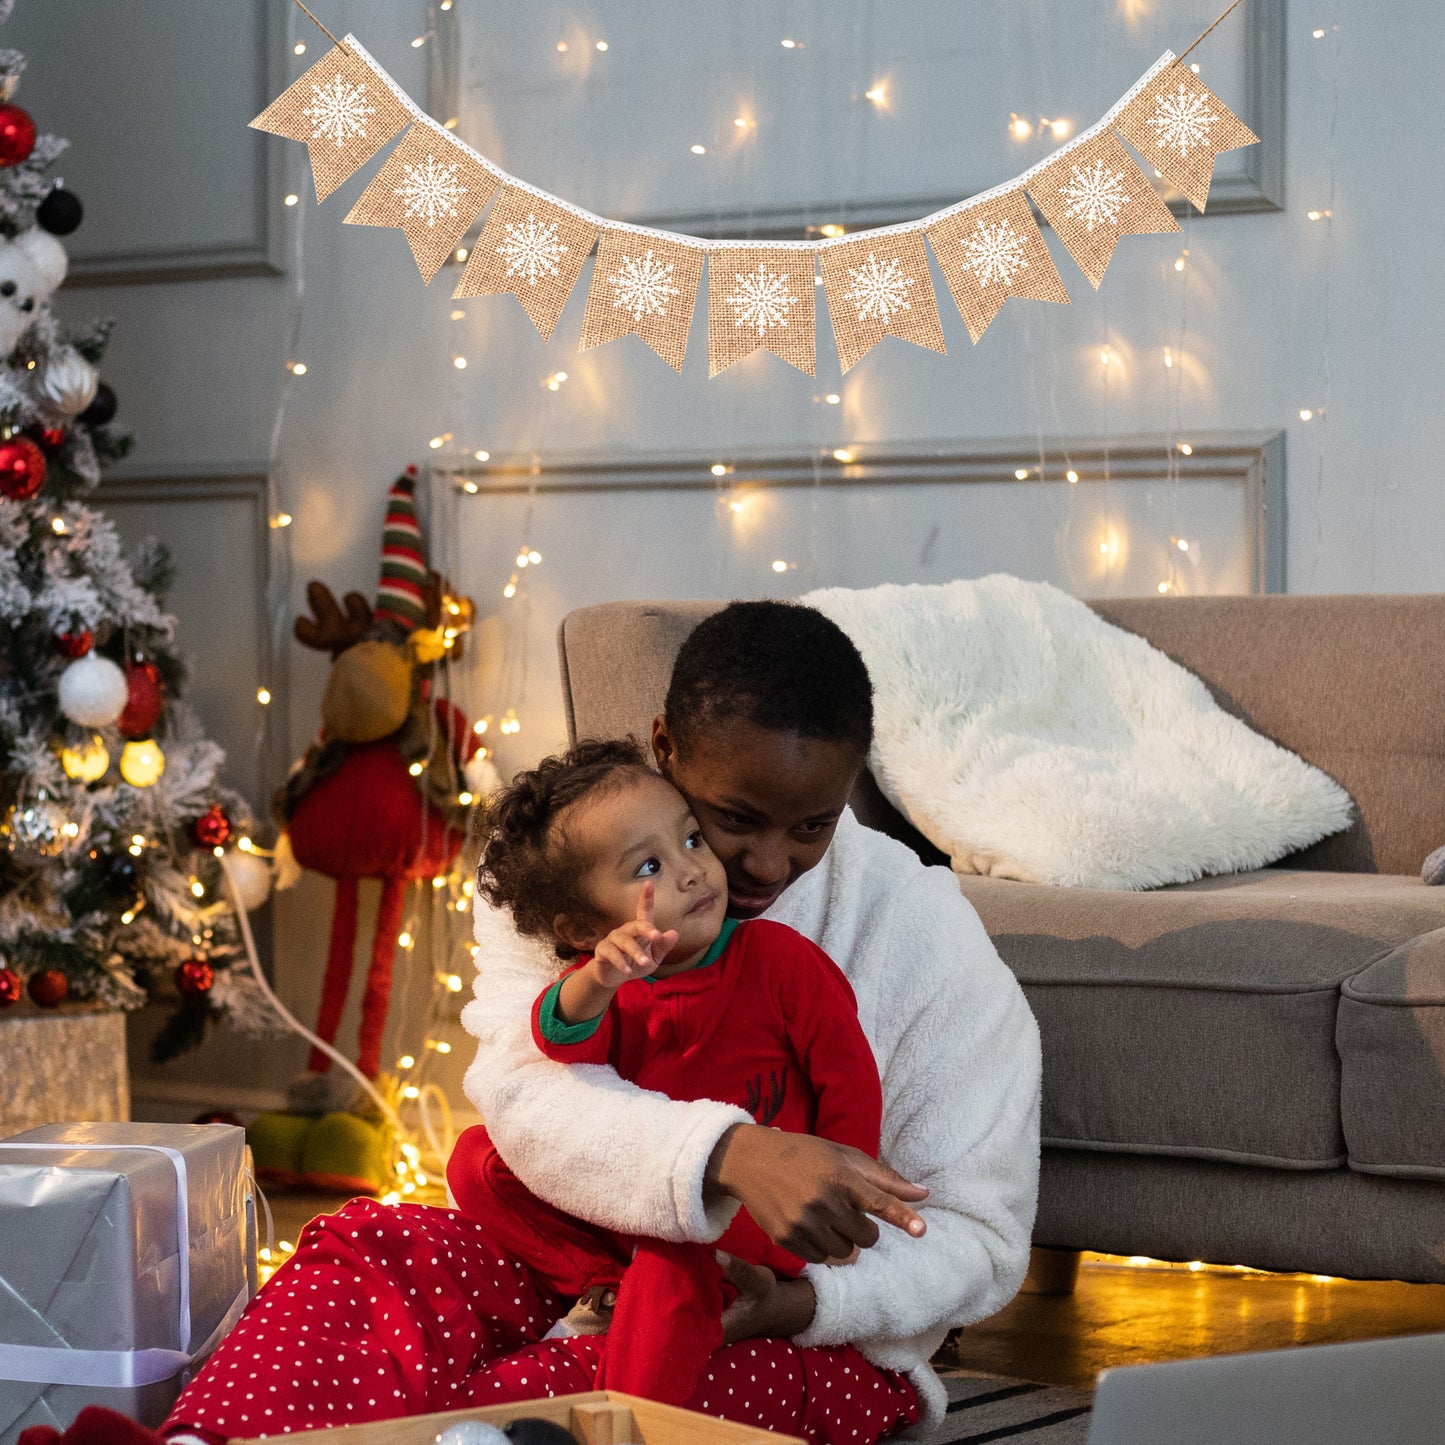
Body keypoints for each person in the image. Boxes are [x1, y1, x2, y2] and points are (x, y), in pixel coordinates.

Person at [26, 599, 1038, 1445]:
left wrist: (809, 1302)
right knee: (370, 1251)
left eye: (808, 827)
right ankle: (201, 1438)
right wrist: (730, 1151)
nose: (764, 866)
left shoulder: (921, 936)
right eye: (731, 819)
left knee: (588, 1386)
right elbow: (525, 1089)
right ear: (664, 748)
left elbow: (980, 1237)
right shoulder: (570, 858)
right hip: (563, 1255)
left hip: (786, 1331)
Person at [453, 736, 886, 1408]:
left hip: (754, 1211)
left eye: (691, 839)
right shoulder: (611, 985)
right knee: (478, 1160)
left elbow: (848, 1075)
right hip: (637, 1203)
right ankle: (601, 1282)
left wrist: (839, 1186)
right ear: (581, 925)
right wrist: (598, 977)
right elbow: (561, 1051)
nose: (692, 870)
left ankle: (634, 1417)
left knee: (669, 1263)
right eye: (649, 864)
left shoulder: (776, 958)